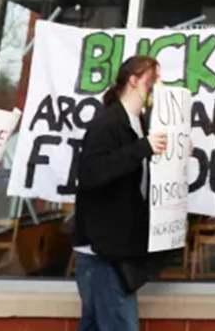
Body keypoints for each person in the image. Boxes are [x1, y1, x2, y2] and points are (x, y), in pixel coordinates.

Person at [73, 55, 167, 331]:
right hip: (103, 252)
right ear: (134, 80)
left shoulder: (140, 123)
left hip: (116, 247)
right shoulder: (108, 122)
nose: (157, 85)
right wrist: (143, 148)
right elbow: (91, 173)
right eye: (153, 79)